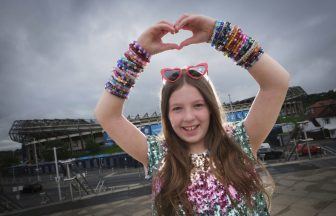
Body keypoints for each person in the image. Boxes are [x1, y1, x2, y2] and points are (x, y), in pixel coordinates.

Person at [95, 14, 290, 215]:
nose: (189, 117)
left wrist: (220, 34)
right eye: (177, 108)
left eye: (198, 105)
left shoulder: (238, 140)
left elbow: (277, 83)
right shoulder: (158, 153)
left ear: (211, 107)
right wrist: (137, 54)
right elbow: (107, 115)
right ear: (167, 114)